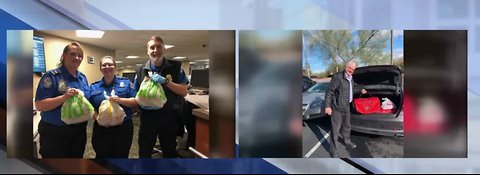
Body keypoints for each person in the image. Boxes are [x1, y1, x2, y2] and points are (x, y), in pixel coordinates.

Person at [134, 35, 189, 158]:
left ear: (164, 49)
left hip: (168, 118)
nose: (155, 50)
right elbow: (136, 95)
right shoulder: (140, 70)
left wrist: (166, 82)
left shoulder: (176, 68)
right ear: (147, 51)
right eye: (152, 47)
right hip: (148, 119)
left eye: (158, 47)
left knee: (169, 151)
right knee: (144, 151)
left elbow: (184, 91)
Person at [34, 42, 90, 158]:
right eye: (72, 54)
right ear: (63, 56)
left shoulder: (82, 78)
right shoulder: (52, 76)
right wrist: (64, 97)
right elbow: (39, 105)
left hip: (78, 131)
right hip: (55, 132)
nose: (76, 58)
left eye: (80, 56)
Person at [89, 56, 137, 158]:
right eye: (104, 65)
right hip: (102, 129)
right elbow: (89, 107)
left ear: (115, 66)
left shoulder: (126, 83)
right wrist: (96, 117)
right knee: (101, 157)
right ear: (100, 68)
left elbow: (135, 102)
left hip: (123, 129)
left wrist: (120, 100)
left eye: (110, 64)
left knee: (122, 157)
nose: (107, 67)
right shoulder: (94, 86)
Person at [324, 60, 367, 158]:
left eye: (353, 69)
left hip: (347, 106)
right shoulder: (337, 77)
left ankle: (347, 141)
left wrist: (360, 90)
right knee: (335, 131)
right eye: (349, 68)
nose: (351, 70)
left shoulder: (351, 78)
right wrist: (327, 106)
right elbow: (329, 92)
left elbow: (350, 90)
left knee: (347, 127)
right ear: (345, 67)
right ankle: (333, 151)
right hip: (337, 108)